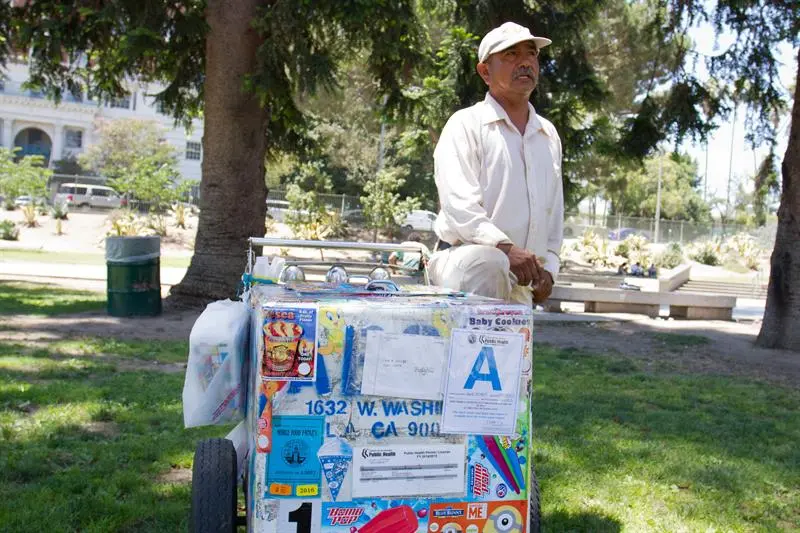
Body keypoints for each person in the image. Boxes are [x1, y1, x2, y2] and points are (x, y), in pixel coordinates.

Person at [427, 22, 564, 306]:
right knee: (490, 262)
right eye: (511, 55)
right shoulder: (465, 125)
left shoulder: (547, 134)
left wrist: (549, 269)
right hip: (464, 264)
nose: (525, 62)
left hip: (520, 277)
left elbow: (554, 213)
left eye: (531, 54)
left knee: (512, 349)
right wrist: (504, 248)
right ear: (485, 71)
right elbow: (460, 208)